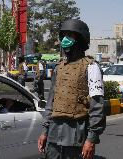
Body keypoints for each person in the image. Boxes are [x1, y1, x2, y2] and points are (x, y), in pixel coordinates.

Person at [37, 19, 105, 159]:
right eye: (64, 36)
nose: (65, 40)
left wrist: (91, 139)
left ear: (80, 39)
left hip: (77, 136)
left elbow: (97, 106)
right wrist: (44, 131)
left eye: (70, 35)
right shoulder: (59, 68)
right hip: (54, 136)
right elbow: (51, 102)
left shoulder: (92, 68)